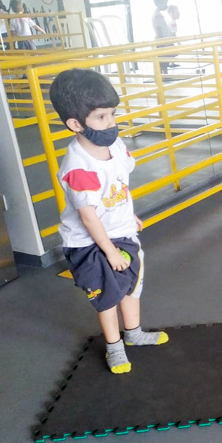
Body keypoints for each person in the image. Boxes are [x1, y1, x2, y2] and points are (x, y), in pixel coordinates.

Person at [49, 69, 170, 374]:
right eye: (101, 117)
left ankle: (134, 333)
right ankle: (114, 347)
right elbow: (88, 217)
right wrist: (110, 251)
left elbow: (118, 186)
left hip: (121, 231)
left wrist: (127, 214)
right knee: (107, 295)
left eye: (112, 114)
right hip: (90, 243)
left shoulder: (115, 146)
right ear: (76, 124)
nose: (110, 123)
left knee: (132, 285)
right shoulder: (79, 167)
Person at [151, 0, 175, 73]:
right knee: (163, 61)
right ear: (158, 3)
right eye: (165, 2)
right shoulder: (158, 15)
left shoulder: (158, 14)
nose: (166, 5)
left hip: (162, 40)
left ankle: (164, 75)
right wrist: (164, 42)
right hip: (162, 41)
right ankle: (164, 75)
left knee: (163, 62)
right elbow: (159, 30)